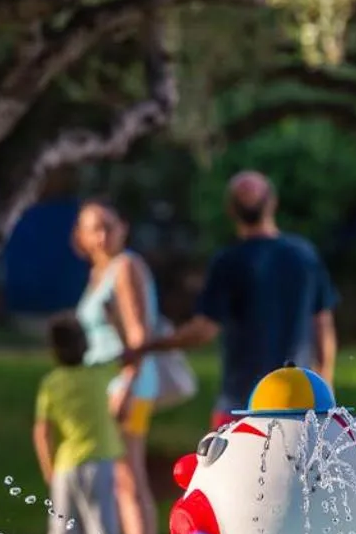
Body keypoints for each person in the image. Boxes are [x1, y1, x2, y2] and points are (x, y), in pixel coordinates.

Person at [128, 171, 337, 428]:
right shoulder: (304, 255)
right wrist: (325, 386)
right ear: (272, 202)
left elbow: (203, 331)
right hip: (300, 403)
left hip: (241, 404)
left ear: (230, 210)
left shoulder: (228, 261)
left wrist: (149, 346)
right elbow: (323, 325)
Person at [72, 200, 162, 534]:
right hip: (103, 385)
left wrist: (126, 381)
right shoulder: (99, 273)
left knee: (128, 479)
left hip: (127, 385)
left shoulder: (125, 267)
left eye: (108, 225)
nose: (102, 235)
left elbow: (139, 332)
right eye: (94, 227)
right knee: (119, 480)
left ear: (123, 227)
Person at [33, 314, 124, 534]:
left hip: (65, 466)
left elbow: (42, 431)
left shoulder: (51, 383)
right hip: (99, 463)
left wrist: (48, 468)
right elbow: (127, 359)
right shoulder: (99, 375)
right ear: (86, 345)